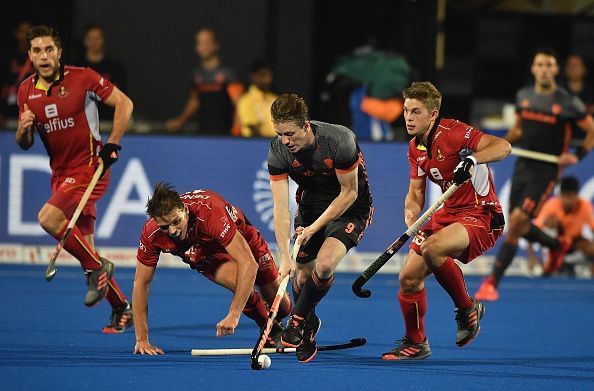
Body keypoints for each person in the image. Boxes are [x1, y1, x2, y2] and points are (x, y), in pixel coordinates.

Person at [15, 25, 134, 333]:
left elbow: (125, 103)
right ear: (29, 55)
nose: (43, 56)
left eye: (49, 49)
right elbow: (24, 143)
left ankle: (97, 268)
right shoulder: (26, 91)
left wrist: (113, 143)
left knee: (48, 218)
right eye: (37, 51)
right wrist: (24, 129)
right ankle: (121, 306)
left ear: (59, 52)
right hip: (60, 175)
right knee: (87, 252)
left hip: (90, 169)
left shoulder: (83, 78)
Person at [380, 81, 510, 361]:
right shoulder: (415, 148)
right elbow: (415, 193)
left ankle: (467, 308)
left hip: (482, 214)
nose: (408, 118)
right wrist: (411, 214)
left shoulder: (455, 132)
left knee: (433, 248)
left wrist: (473, 159)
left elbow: (503, 146)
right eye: (405, 111)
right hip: (448, 214)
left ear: (433, 113)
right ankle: (416, 344)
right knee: (408, 279)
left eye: (416, 112)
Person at [475, 48, 594, 302]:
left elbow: (590, 129)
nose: (543, 69)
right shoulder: (524, 95)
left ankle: (491, 282)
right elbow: (518, 130)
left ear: (555, 70)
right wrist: (496, 145)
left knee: (518, 220)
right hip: (523, 165)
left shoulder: (568, 101)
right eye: (539, 64)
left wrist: (577, 156)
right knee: (516, 224)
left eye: (548, 65)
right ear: (533, 68)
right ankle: (558, 246)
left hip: (547, 170)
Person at [267, 93, 373, 363]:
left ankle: (298, 321)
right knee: (301, 277)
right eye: (279, 134)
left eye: (290, 134)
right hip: (311, 206)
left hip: (351, 207)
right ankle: (309, 327)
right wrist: (284, 256)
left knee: (324, 265)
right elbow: (280, 208)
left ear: (306, 126)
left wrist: (313, 229)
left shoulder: (339, 140)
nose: (285, 141)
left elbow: (349, 193)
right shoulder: (278, 150)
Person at [133, 183, 292, 355]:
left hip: (244, 242)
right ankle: (269, 329)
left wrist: (233, 314)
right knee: (240, 285)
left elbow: (249, 263)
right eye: (164, 227)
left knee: (283, 309)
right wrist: (142, 340)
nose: (172, 231)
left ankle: (273, 308)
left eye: (176, 222)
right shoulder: (151, 233)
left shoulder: (209, 211)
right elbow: (141, 284)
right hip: (207, 255)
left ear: (185, 211)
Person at [166, 28, 243, 136]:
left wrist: (237, 131)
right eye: (199, 43)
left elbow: (239, 104)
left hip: (226, 134)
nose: (203, 47)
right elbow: (194, 101)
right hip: (203, 133)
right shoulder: (196, 73)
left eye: (207, 42)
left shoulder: (228, 73)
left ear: (216, 45)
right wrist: (181, 121)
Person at [533, 176, 594, 276]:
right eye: (565, 196)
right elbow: (533, 230)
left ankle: (577, 267)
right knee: (551, 221)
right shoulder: (551, 205)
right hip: (555, 243)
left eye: (571, 196)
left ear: (576, 195)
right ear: (560, 195)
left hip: (574, 243)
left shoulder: (585, 206)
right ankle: (548, 262)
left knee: (591, 247)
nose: (567, 200)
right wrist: (532, 256)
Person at [78, 24, 127, 121]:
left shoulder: (115, 67)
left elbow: (120, 97)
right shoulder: (76, 67)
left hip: (110, 122)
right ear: (85, 41)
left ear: (103, 40)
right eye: (90, 38)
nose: (94, 42)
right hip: (83, 124)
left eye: (97, 38)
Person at [1, 20, 35, 127]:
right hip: (6, 115)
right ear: (16, 33)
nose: (25, 35)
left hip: (32, 116)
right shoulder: (6, 58)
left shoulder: (40, 58)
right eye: (22, 31)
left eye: (28, 32)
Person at [236, 59, 277, 138]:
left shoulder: (276, 99)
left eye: (269, 75)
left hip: (279, 146)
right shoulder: (246, 100)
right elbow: (253, 129)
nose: (268, 79)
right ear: (253, 76)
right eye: (263, 75)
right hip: (256, 146)